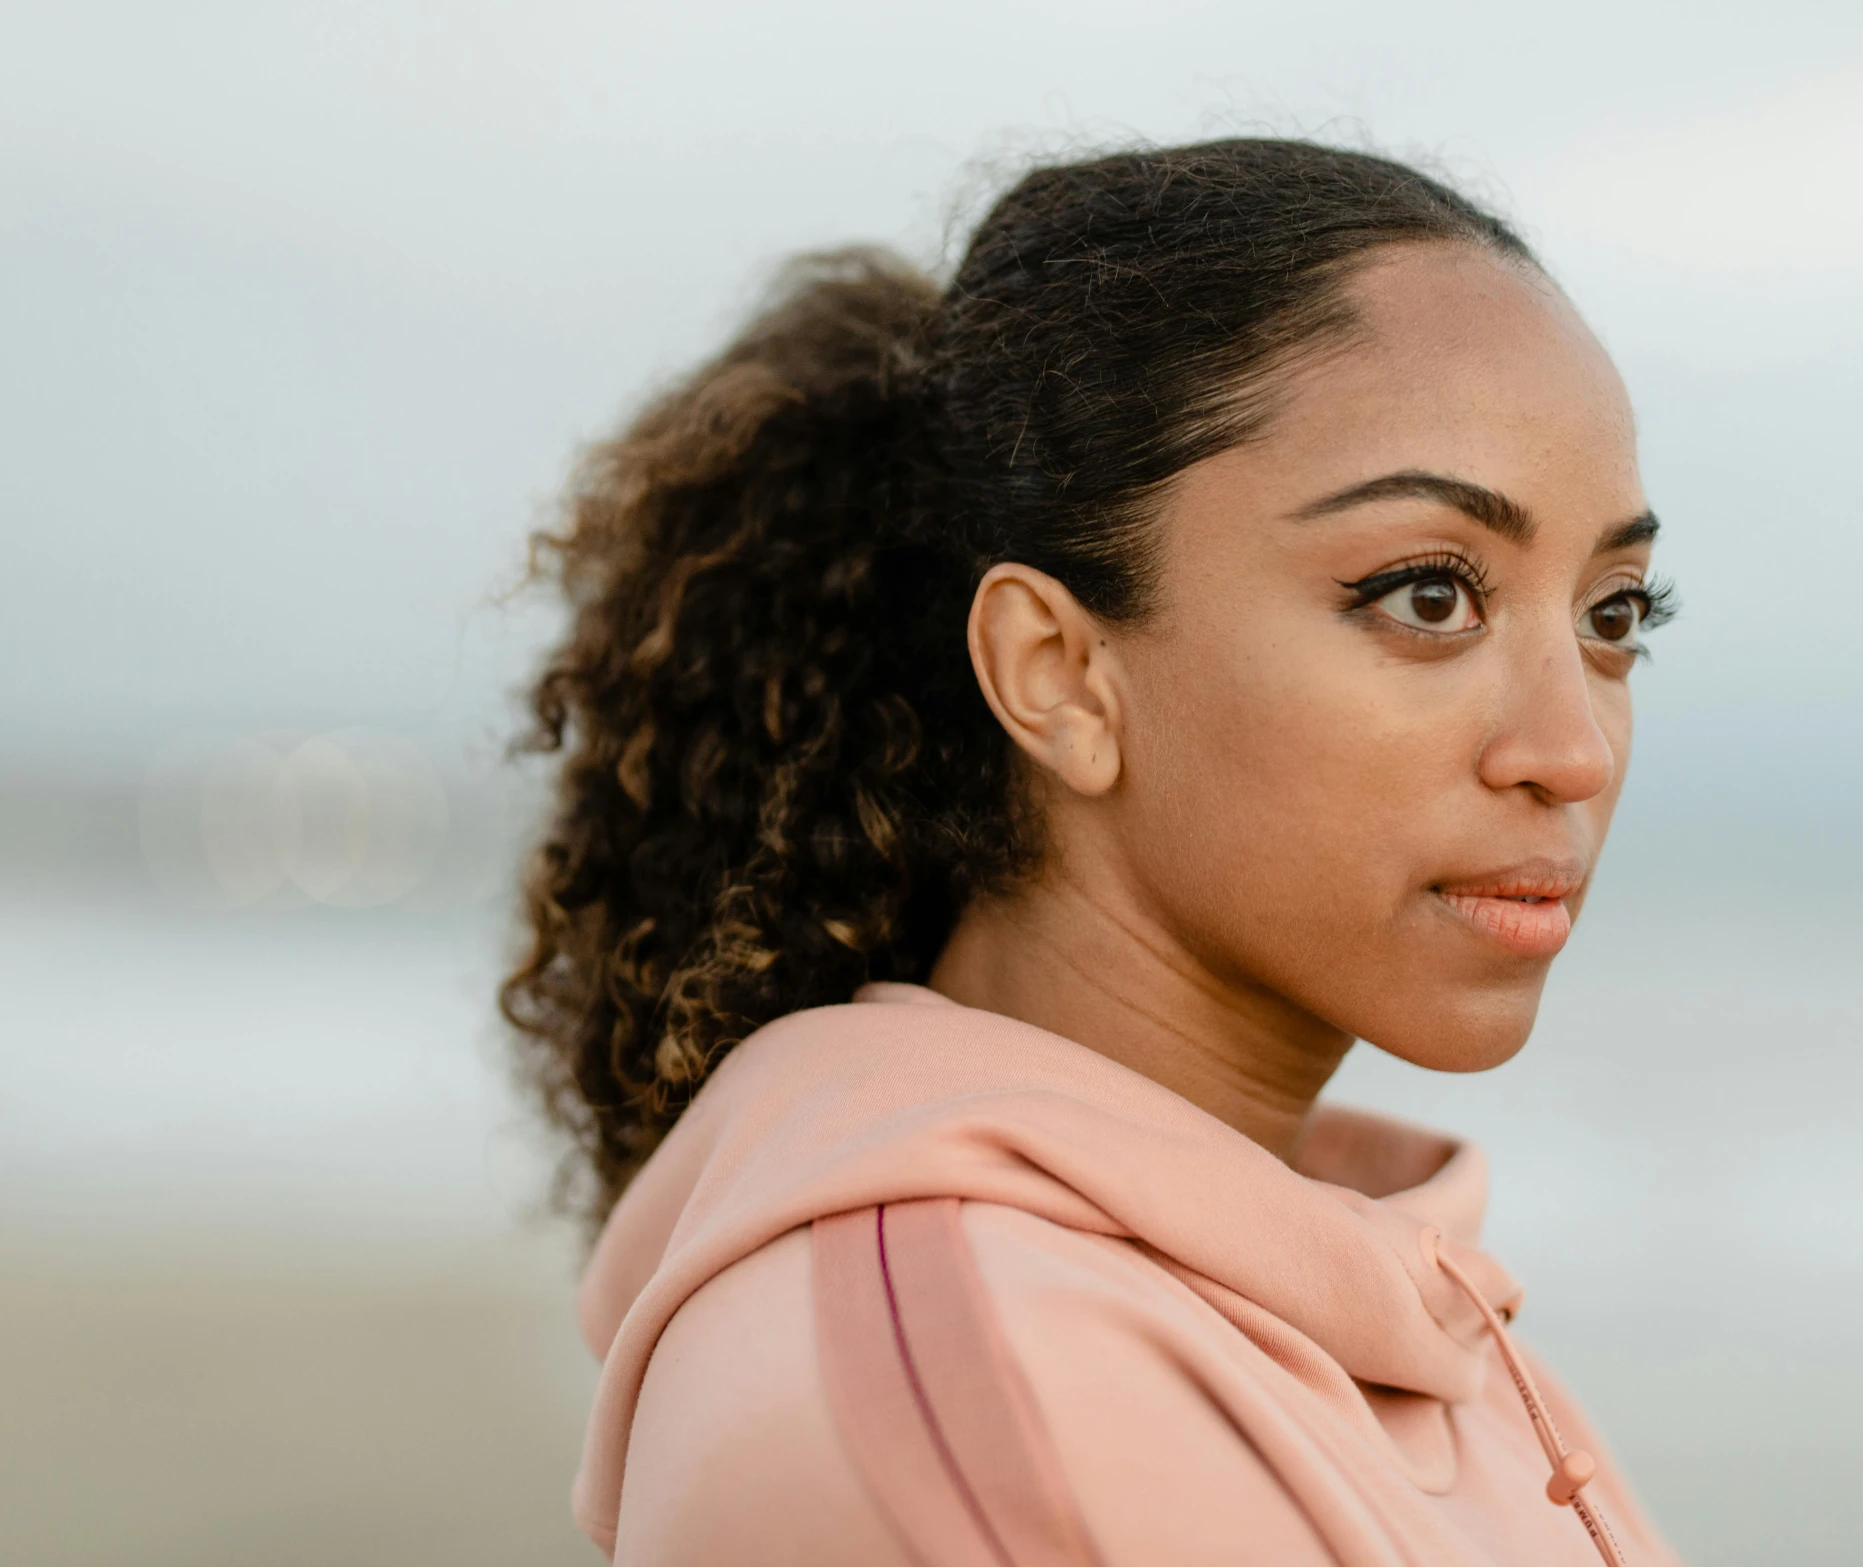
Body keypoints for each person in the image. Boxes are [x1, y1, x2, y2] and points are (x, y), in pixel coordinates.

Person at [505, 136, 1682, 1566]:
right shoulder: (965, 1414)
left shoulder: (1416, 1325)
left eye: (1613, 614)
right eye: (1425, 594)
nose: (1573, 749)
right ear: (1056, 672)